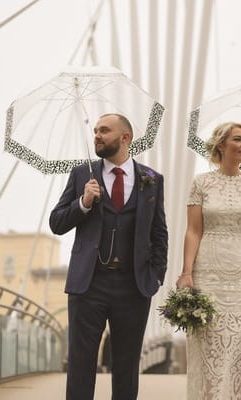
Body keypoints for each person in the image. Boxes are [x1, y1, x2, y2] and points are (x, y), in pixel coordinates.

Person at [49, 113, 168, 400]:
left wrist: (155, 276)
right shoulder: (81, 175)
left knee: (127, 365)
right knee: (81, 362)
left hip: (134, 285)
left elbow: (159, 233)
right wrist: (83, 203)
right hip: (89, 284)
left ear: (125, 137)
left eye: (105, 130)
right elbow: (57, 222)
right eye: (96, 131)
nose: (97, 136)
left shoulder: (152, 180)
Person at [177, 122, 241, 399]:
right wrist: (186, 272)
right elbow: (193, 230)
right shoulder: (201, 182)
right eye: (238, 140)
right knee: (210, 350)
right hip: (209, 273)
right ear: (221, 145)